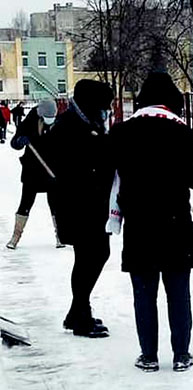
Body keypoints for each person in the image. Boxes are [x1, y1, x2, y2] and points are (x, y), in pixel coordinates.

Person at [108, 72, 193, 372]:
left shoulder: (122, 132)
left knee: (144, 293)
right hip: (175, 224)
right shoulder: (181, 131)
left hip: (139, 226)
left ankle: (148, 355)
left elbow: (107, 173)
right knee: (178, 293)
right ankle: (181, 354)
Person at [47, 79, 115, 338]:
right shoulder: (69, 127)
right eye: (105, 105)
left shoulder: (88, 123)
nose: (108, 110)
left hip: (91, 205)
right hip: (76, 205)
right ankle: (80, 316)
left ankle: (78, 312)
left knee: (92, 256)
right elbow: (76, 168)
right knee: (91, 256)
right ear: (91, 104)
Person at [6, 98, 63, 249]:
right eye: (47, 118)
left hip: (53, 170)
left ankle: (60, 236)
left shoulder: (60, 123)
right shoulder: (29, 122)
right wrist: (19, 141)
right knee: (25, 203)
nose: (50, 121)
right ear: (40, 114)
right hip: (32, 171)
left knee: (56, 204)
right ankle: (15, 236)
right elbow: (14, 143)